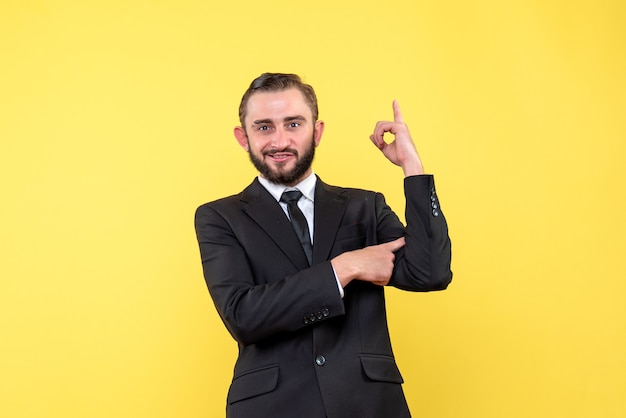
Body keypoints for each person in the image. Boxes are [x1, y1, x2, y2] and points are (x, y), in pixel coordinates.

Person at [194, 73, 452, 418]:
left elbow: (430, 273)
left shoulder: (365, 206)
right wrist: (346, 267)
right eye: (264, 127)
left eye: (294, 124)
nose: (280, 140)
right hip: (273, 407)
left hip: (369, 405)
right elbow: (244, 316)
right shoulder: (219, 217)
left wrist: (412, 167)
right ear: (244, 137)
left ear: (317, 131)